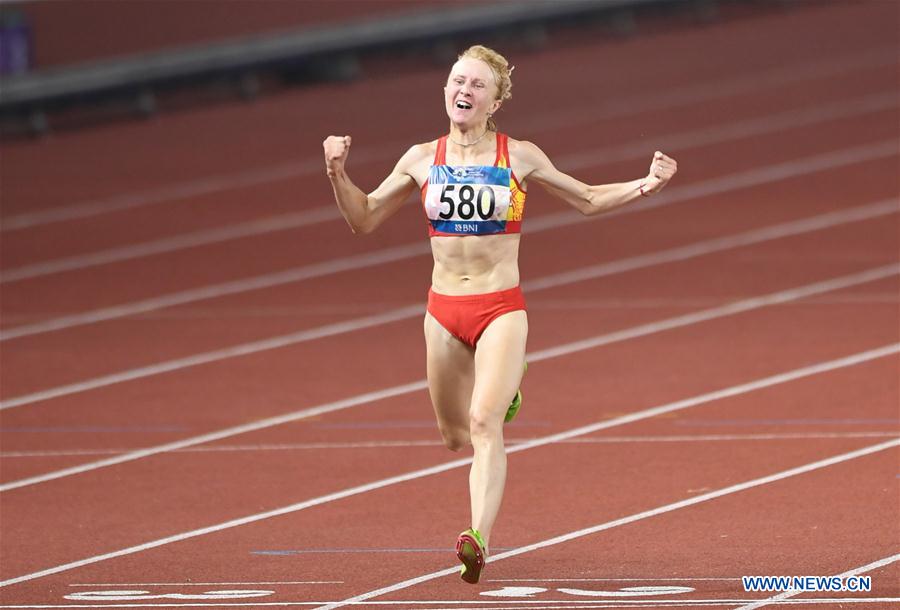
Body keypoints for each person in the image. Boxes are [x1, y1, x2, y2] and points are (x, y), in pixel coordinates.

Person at [323, 44, 677, 584]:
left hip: (500, 308)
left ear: (495, 102)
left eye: (478, 85)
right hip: (443, 311)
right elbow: (364, 219)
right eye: (457, 81)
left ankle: (477, 537)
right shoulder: (421, 158)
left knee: (484, 424)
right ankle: (510, 388)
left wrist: (645, 183)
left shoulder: (520, 155)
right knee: (451, 435)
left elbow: (584, 197)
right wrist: (336, 172)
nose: (464, 90)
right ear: (445, 91)